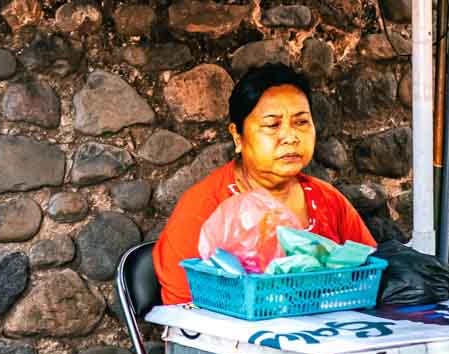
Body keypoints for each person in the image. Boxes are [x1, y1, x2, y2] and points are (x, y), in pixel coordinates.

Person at [153, 63, 376, 305]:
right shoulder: (204, 207)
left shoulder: (328, 201)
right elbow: (182, 311)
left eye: (301, 122)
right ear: (238, 137)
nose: (291, 137)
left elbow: (369, 274)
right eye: (272, 125)